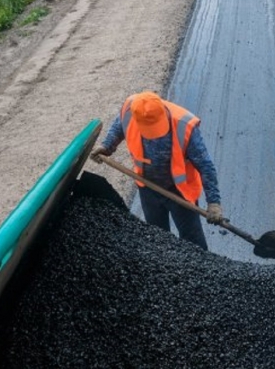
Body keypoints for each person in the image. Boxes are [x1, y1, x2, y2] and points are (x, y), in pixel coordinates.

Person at [90, 91, 223, 250]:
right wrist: (107, 146)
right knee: (156, 237)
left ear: (164, 110)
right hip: (148, 187)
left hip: (180, 191)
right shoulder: (130, 112)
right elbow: (119, 126)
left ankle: (201, 270)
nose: (154, 136)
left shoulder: (183, 125)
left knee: (193, 241)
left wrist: (213, 202)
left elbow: (205, 165)